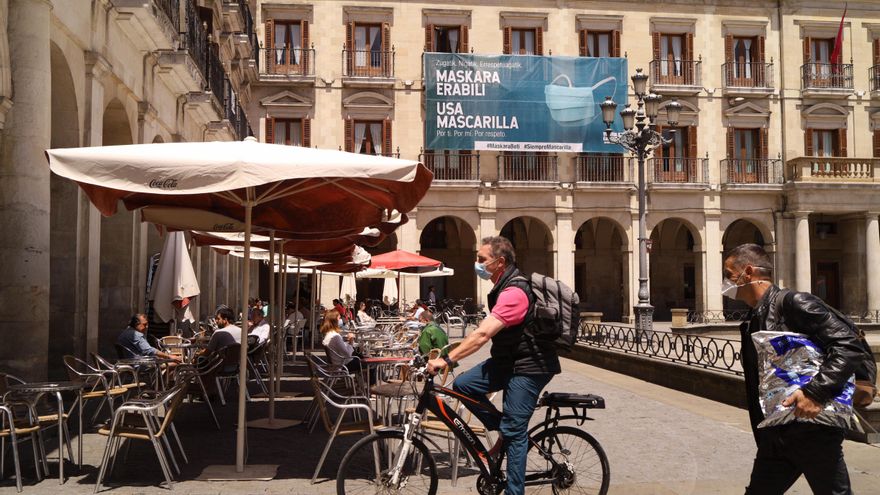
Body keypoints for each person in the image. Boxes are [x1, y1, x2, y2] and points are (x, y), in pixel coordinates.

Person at [723, 243, 874, 494]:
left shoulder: (794, 303)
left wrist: (815, 393)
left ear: (748, 272)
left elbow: (848, 345)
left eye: (729, 275)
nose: (726, 282)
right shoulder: (754, 317)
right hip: (777, 431)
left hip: (812, 428)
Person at [427, 236, 559, 495]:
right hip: (507, 362)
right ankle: (508, 429)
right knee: (463, 385)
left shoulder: (514, 292)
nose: (476, 264)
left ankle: (514, 488)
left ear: (500, 262)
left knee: (515, 433)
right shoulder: (502, 287)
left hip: (529, 366)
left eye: (481, 259)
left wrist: (447, 359)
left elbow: (481, 335)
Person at [116, 314, 181, 362]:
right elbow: (149, 351)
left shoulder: (126, 332)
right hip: (139, 364)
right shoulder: (135, 335)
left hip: (130, 362)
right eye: (144, 324)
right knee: (176, 363)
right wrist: (169, 356)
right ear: (136, 324)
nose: (147, 327)